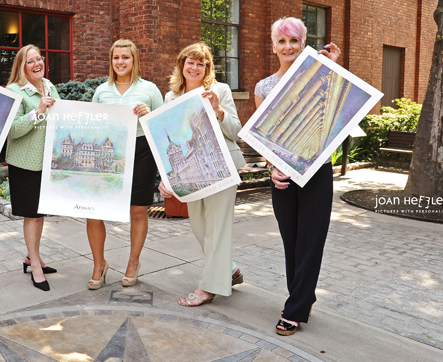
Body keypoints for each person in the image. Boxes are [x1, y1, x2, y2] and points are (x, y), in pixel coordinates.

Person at [254, 17, 340, 336]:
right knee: (291, 240)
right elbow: (263, 137)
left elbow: (337, 112)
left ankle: (296, 308)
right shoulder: (263, 87)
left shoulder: (321, 77)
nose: (288, 46)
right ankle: (301, 296)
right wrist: (272, 165)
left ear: (303, 44)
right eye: (282, 41)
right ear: (273, 45)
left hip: (317, 169)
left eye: (294, 41)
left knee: (311, 240)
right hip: (282, 174)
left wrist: (330, 69)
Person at [158, 42, 246, 306]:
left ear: (207, 67)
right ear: (181, 65)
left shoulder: (219, 90)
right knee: (199, 226)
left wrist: (219, 112)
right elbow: (166, 143)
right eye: (190, 62)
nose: (195, 67)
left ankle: (208, 287)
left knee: (218, 228)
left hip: (222, 167)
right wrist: (167, 177)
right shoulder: (170, 98)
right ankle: (229, 269)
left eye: (201, 63)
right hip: (190, 167)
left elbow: (236, 130)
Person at [87, 39, 163, 289]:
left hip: (141, 151)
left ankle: (133, 262)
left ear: (134, 60)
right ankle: (99, 264)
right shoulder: (101, 90)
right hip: (107, 155)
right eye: (116, 57)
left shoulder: (149, 89)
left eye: (125, 57)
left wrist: (149, 114)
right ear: (111, 61)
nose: (120, 62)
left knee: (138, 210)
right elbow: (91, 126)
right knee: (94, 210)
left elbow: (162, 126)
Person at [5, 45, 60, 292]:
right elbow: (12, 129)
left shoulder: (49, 86)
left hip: (47, 162)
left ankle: (32, 256)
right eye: (30, 61)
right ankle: (35, 265)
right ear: (21, 67)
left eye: (39, 58)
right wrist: (38, 112)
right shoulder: (15, 91)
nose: (37, 63)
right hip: (25, 163)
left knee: (41, 214)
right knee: (32, 214)